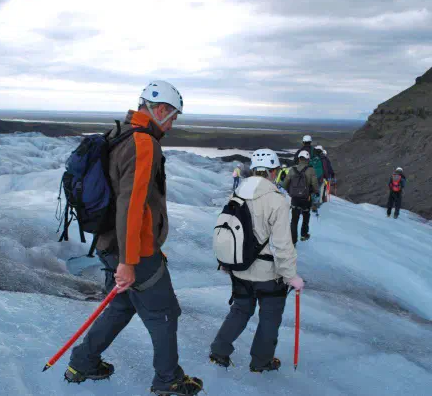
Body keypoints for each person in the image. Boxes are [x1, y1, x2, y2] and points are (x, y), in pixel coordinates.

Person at [65, 81, 203, 396]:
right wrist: (128, 262)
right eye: (173, 117)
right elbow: (132, 205)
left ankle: (82, 363)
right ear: (161, 109)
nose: (172, 124)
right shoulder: (143, 143)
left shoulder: (120, 133)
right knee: (164, 312)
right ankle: (168, 380)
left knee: (121, 306)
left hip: (108, 243)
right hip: (134, 250)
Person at [210, 149, 305, 372]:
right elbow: (282, 244)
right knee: (270, 317)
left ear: (253, 170)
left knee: (240, 310)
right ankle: (261, 362)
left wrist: (227, 261)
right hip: (268, 274)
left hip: (239, 268)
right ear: (274, 171)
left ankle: (219, 351)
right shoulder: (277, 200)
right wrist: (291, 276)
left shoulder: (237, 194)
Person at [282, 150, 319, 242]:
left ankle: (293, 240)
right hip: (306, 198)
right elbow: (315, 184)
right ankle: (304, 235)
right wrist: (316, 192)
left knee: (294, 220)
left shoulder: (292, 169)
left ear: (299, 159)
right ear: (308, 159)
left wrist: (290, 192)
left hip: (295, 198)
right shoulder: (311, 170)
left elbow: (285, 184)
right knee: (306, 217)